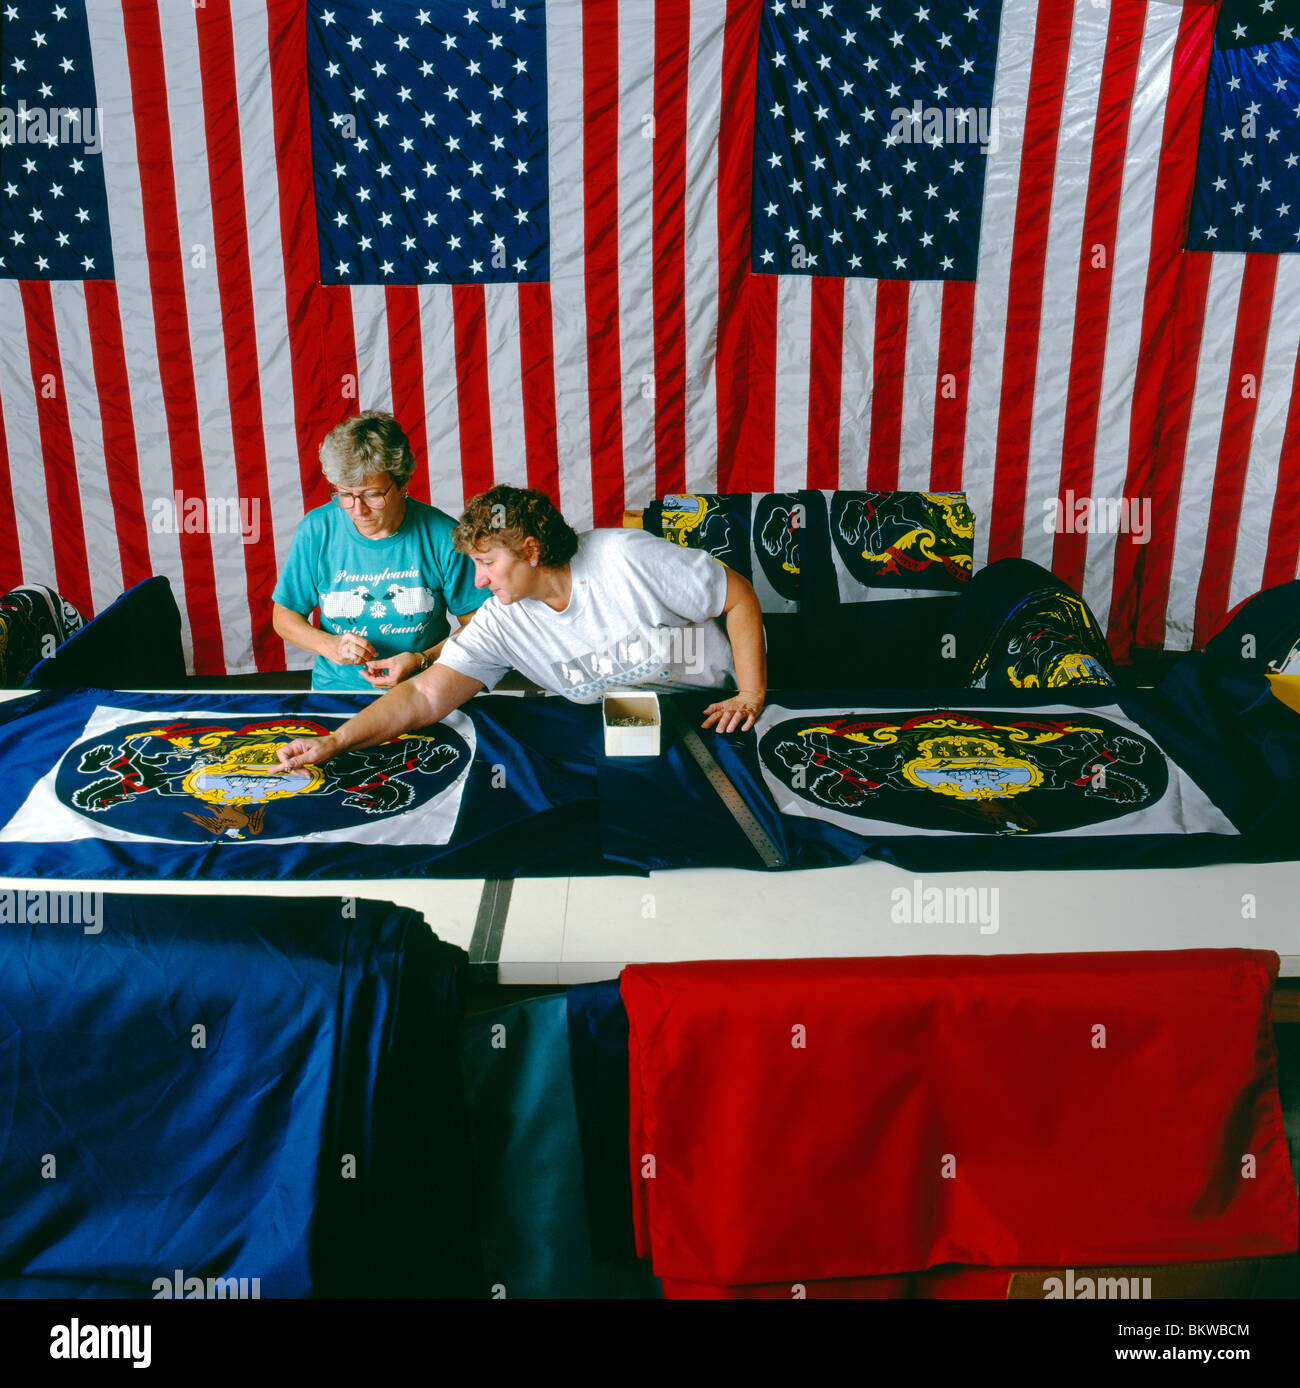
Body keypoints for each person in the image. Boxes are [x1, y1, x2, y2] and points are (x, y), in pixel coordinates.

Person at [277, 483, 767, 769]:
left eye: (487, 562)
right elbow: (425, 695)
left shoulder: (622, 557)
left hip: (716, 696)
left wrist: (750, 693)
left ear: (531, 550)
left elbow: (739, 595)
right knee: (629, 803)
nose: (479, 579)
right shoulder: (501, 620)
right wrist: (336, 741)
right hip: (633, 705)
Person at [271, 412, 488, 692]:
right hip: (338, 690)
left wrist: (423, 659)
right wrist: (331, 646)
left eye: (372, 495)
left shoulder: (443, 535)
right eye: (345, 495)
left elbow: (481, 625)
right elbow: (284, 616)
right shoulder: (316, 530)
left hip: (425, 690)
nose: (357, 510)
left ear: (402, 483)